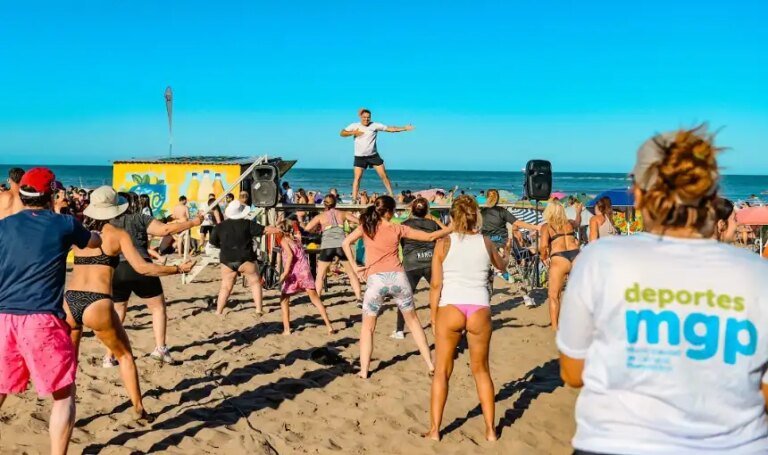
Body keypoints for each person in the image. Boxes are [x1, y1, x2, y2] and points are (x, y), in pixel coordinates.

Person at [558, 127, 768, 453]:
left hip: (618, 442)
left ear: (638, 194)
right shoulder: (759, 274)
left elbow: (573, 372)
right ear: (712, 197)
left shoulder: (602, 259)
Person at [65, 187, 194, 420]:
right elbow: (143, 268)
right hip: (97, 301)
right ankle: (138, 409)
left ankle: (66, 411)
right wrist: (177, 269)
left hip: (70, 299)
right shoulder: (116, 234)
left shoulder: (77, 231)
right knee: (124, 356)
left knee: (70, 365)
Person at [0, 167, 101, 455]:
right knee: (62, 394)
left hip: (4, 318)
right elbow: (92, 242)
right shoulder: (64, 225)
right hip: (42, 319)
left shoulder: (3, 226)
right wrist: (93, 233)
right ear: (50, 195)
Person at [425, 195, 509, 442]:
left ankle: (434, 431)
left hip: (450, 307)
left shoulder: (443, 244)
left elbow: (436, 284)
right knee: (481, 371)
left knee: (441, 372)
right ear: (476, 217)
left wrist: (432, 315)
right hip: (479, 308)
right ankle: (491, 431)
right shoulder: (485, 242)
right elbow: (502, 267)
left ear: (452, 217)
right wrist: (506, 253)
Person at [341, 195, 451, 379]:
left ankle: (364, 371)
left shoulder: (366, 227)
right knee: (414, 322)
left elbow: (345, 243)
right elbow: (430, 236)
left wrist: (355, 267)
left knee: (368, 328)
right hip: (399, 278)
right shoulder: (398, 228)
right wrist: (451, 228)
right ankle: (431, 364)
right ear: (390, 212)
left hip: (376, 281)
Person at [107, 197, 203, 365]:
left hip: (117, 268)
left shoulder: (108, 222)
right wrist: (193, 223)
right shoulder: (139, 217)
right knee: (157, 307)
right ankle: (160, 348)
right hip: (142, 265)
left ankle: (109, 356)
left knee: (118, 312)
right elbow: (165, 230)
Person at [209, 201, 281, 315]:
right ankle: (258, 309)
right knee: (255, 283)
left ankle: (219, 311)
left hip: (227, 259)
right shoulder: (247, 224)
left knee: (225, 287)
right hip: (246, 259)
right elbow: (265, 230)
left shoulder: (220, 226)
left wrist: (223, 246)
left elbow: (213, 241)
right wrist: (279, 230)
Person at [393, 197, 444, 339]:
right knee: (440, 295)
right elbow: (444, 236)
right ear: (427, 210)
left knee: (404, 296)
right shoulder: (432, 224)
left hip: (412, 263)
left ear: (412, 209)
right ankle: (442, 324)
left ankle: (399, 330)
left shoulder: (404, 224)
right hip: (430, 261)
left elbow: (400, 243)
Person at [340, 108, 414, 201]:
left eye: (368, 117)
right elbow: (342, 133)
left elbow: (390, 129)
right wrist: (353, 132)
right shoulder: (354, 125)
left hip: (373, 156)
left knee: (384, 176)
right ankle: (354, 199)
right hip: (360, 157)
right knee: (357, 178)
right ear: (360, 117)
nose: (366, 119)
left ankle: (391, 195)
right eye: (364, 117)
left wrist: (404, 128)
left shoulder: (374, 125)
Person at [276, 220, 335, 335]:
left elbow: (289, 255)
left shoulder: (284, 240)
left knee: (284, 300)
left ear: (281, 230)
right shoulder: (297, 239)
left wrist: (285, 273)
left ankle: (287, 329)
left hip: (293, 273)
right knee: (315, 299)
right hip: (305, 271)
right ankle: (329, 326)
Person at [303, 194, 363, 302]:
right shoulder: (343, 213)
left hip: (327, 246)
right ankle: (359, 298)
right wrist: (353, 236)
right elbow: (361, 223)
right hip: (342, 246)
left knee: (320, 275)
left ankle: (317, 300)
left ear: (324, 204)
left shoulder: (320, 216)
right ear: (336, 203)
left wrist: (315, 231)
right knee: (351, 274)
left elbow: (306, 229)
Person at [481, 189, 539, 292]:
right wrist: (535, 227)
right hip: (503, 246)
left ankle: (488, 298)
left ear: (486, 198)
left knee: (488, 274)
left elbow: (476, 229)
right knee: (514, 271)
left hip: (488, 247)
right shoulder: (502, 211)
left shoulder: (482, 212)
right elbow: (518, 223)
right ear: (497, 198)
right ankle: (526, 297)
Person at [539, 200, 582, 331]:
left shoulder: (547, 227)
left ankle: (555, 327)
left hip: (559, 259)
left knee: (554, 296)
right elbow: (578, 222)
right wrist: (578, 212)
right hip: (576, 256)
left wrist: (544, 257)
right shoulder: (569, 223)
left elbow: (543, 246)